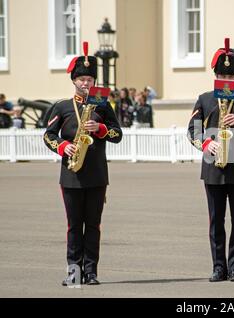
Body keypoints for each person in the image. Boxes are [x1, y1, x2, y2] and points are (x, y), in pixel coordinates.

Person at [43, 42, 123, 286]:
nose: (86, 83)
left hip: (97, 175)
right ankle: (73, 272)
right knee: (74, 226)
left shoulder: (102, 105)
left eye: (89, 79)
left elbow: (117, 134)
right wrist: (62, 146)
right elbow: (48, 135)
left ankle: (91, 272)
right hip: (71, 175)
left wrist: (100, 129)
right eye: (82, 79)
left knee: (94, 226)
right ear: (74, 81)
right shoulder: (63, 107)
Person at [187, 38, 234, 282]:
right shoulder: (205, 99)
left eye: (231, 76)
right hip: (213, 167)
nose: (227, 80)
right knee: (215, 221)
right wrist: (206, 143)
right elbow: (192, 130)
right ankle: (218, 266)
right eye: (222, 75)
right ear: (216, 75)